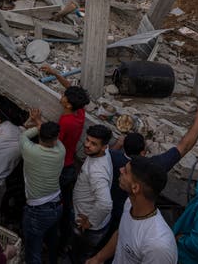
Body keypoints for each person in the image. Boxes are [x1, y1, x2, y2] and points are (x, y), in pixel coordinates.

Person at [108, 109, 198, 233]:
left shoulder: (111, 157)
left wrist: (117, 145)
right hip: (132, 221)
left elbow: (108, 152)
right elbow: (184, 147)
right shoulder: (151, 167)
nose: (122, 171)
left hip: (109, 213)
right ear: (143, 152)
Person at [85, 157, 177, 264]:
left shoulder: (158, 246)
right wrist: (98, 259)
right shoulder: (130, 203)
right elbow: (122, 234)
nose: (120, 170)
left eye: (126, 171)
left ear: (135, 188)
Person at [40, 64, 90, 251]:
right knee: (66, 205)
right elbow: (70, 87)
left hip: (61, 168)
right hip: (70, 168)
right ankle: (66, 239)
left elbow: (52, 143)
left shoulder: (66, 121)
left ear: (68, 104)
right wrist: (55, 74)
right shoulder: (80, 113)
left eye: (63, 97)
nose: (61, 96)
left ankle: (55, 243)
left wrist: (38, 123)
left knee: (53, 205)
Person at [20, 113, 65, 264]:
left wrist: (38, 123)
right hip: (57, 205)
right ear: (55, 137)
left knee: (33, 251)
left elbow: (24, 135)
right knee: (53, 241)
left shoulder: (29, 150)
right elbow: (54, 139)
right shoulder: (61, 150)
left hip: (37, 210)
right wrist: (41, 124)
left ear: (40, 135)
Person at [71, 124, 113, 263]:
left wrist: (90, 222)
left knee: (80, 257)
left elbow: (105, 204)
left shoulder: (97, 172)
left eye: (93, 143)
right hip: (90, 218)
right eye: (87, 140)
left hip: (88, 227)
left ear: (104, 147)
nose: (87, 145)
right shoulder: (101, 153)